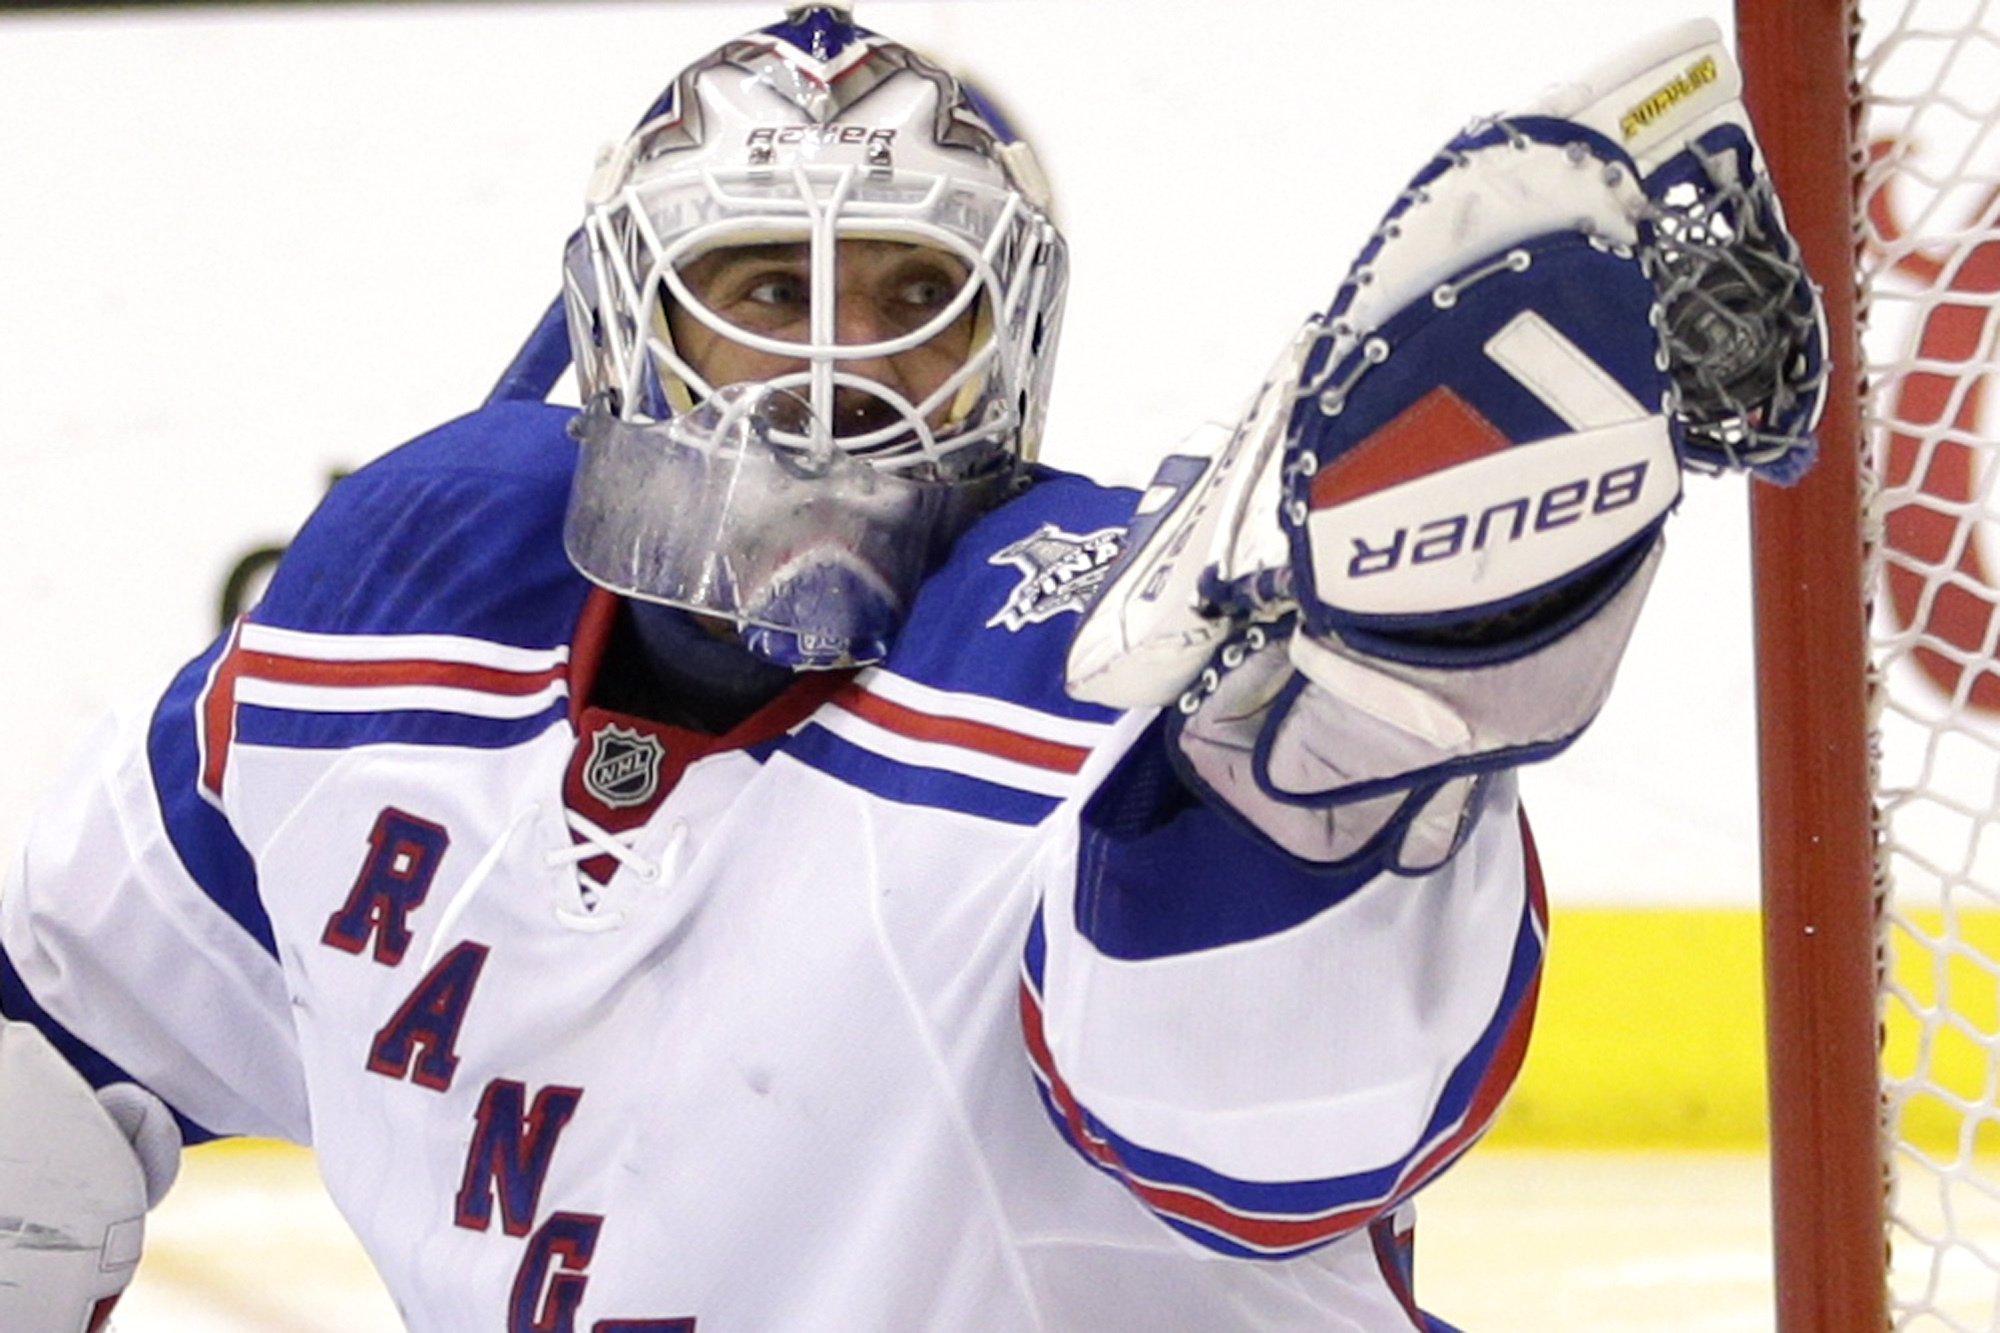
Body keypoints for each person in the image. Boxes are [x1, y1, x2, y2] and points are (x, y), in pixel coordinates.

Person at [0, 6, 1822, 1332]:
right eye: (767, 294)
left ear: (1009, 344)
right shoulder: (409, 591)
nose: (831, 374)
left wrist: (1354, 734)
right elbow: (64, 1013)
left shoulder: (1110, 666)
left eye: (900, 299)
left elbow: (1264, 1142)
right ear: (625, 319)